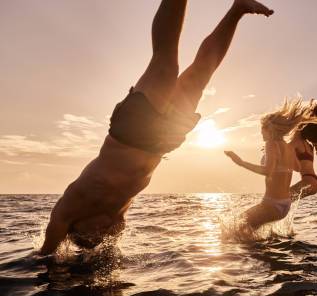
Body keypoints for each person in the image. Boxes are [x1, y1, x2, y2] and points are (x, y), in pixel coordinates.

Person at [40, 0, 274, 255]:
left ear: (74, 226)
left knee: (165, 62)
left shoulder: (67, 209)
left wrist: (50, 258)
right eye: (102, 236)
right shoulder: (115, 221)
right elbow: (110, 253)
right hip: (163, 140)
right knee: (201, 74)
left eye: (92, 233)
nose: (102, 231)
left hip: (129, 132)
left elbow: (46, 255)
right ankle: (237, 10)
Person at [224, 99, 317, 231]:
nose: (261, 133)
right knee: (248, 230)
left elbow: (267, 171)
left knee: (235, 225)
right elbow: (298, 167)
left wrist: (241, 162)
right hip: (284, 206)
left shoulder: (271, 144)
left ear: (269, 130)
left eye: (262, 129)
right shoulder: (288, 148)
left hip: (271, 204)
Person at [288, 102, 317, 201]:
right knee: (284, 201)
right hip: (315, 181)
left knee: (279, 200)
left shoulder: (296, 142)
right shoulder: (309, 146)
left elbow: (296, 167)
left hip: (308, 181)